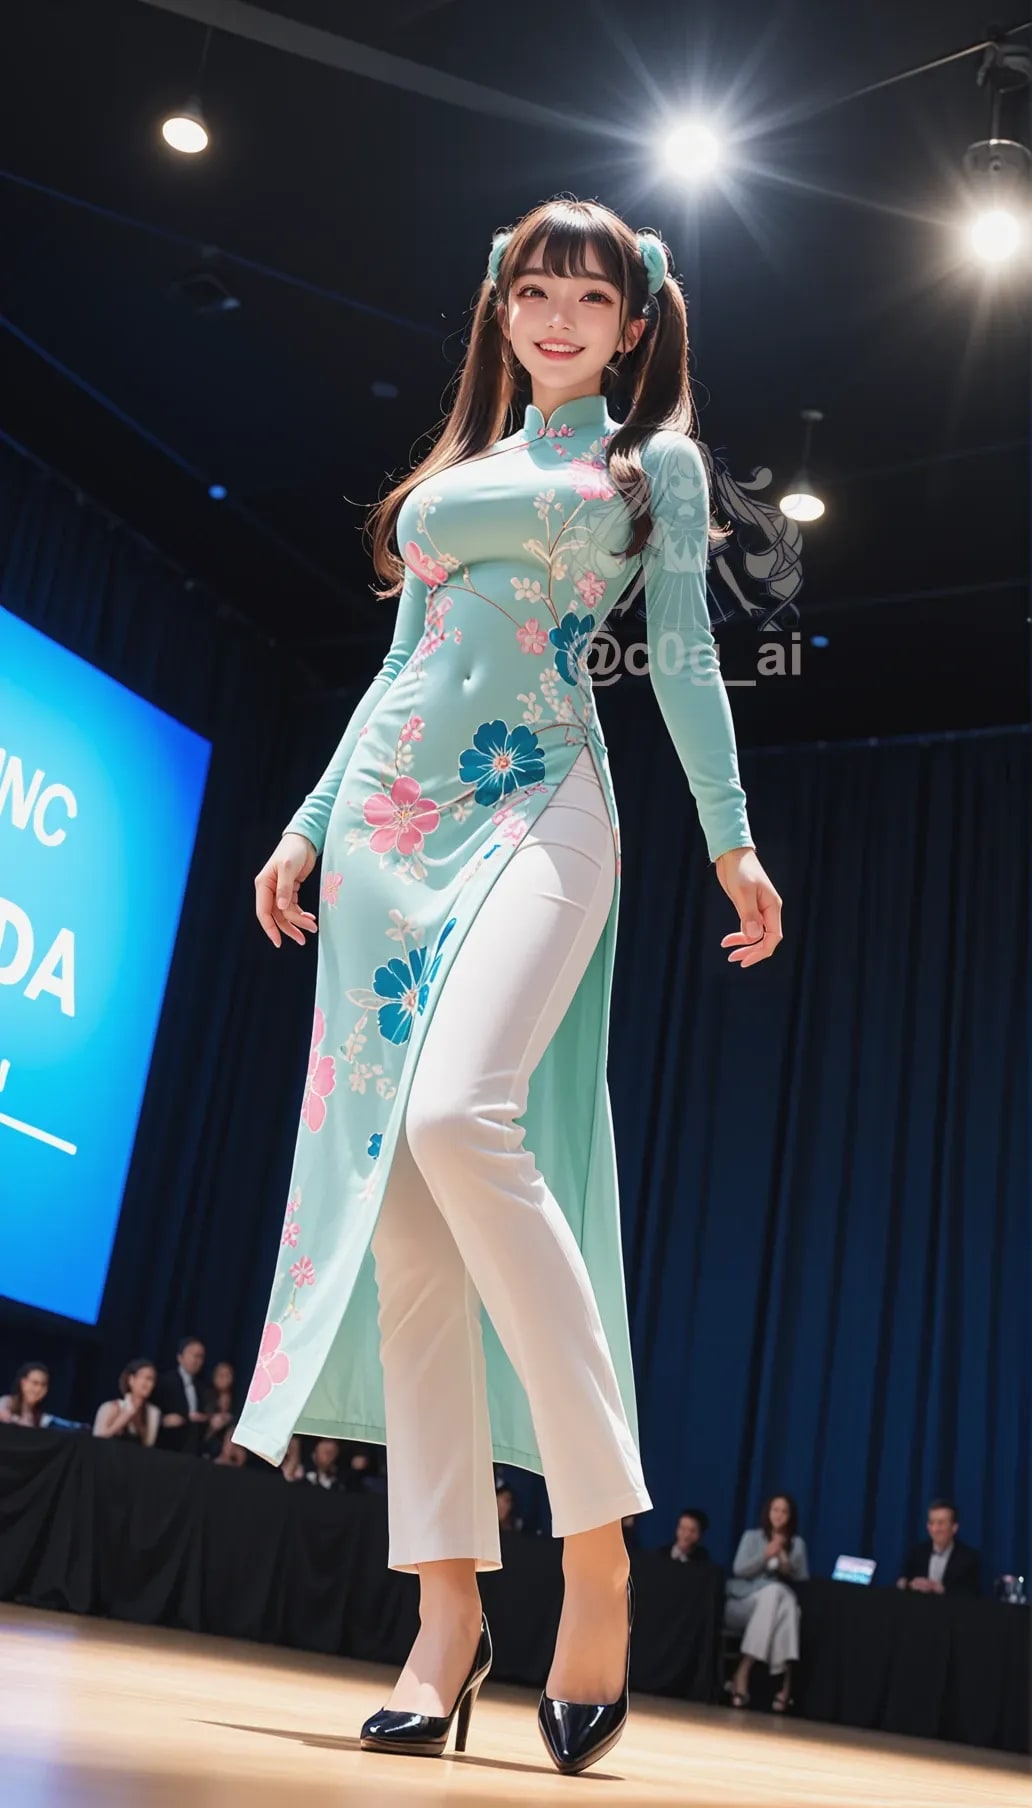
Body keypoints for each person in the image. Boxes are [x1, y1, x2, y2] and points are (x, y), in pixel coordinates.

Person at [234, 195, 781, 1776]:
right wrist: (309, 823)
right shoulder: (452, 476)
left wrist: (733, 841)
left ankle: (597, 1547)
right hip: (390, 828)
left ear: (632, 326)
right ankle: (446, 1617)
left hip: (545, 799)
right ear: (501, 308)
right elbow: (399, 666)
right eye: (534, 291)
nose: (556, 317)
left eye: (588, 299)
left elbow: (684, 657)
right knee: (407, 1216)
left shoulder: (651, 467)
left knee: (458, 1121)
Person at [724, 1494, 808, 1713]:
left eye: (784, 1511)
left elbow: (802, 1578)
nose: (779, 1515)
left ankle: (743, 1670)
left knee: (785, 1601)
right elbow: (739, 1570)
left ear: (790, 1516)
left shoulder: (797, 1544)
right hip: (744, 1600)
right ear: (768, 1512)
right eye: (775, 1510)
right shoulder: (752, 1537)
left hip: (776, 1605)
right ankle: (784, 1681)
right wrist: (765, 1555)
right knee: (780, 1595)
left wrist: (785, 1561)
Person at [897, 1498, 981, 1597]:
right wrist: (907, 1584)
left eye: (941, 1523)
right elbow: (904, 1582)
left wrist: (942, 1590)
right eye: (931, 1523)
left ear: (954, 1527)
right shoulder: (916, 1553)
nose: (935, 1529)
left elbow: (972, 1596)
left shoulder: (968, 1557)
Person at [153, 1336, 209, 1455]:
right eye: (192, 1354)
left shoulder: (203, 1388)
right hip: (168, 1446)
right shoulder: (165, 1381)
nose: (196, 1359)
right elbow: (152, 1409)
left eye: (200, 1356)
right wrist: (162, 1420)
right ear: (180, 1357)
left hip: (193, 1449)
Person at [93, 1358, 160, 1446]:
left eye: (151, 1379)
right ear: (131, 1379)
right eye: (144, 1377)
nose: (148, 1383)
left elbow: (148, 1445)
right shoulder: (111, 1407)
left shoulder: (153, 1412)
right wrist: (125, 1417)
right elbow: (97, 1440)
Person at [200, 1360, 236, 1459]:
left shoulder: (236, 1399)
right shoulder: (206, 1395)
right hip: (208, 1443)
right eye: (220, 1375)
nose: (224, 1378)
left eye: (227, 1375)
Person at [0, 1362, 52, 1427]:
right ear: (23, 1383)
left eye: (43, 1385)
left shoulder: (42, 1418)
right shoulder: (5, 1403)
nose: (39, 1389)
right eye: (35, 1383)